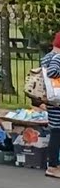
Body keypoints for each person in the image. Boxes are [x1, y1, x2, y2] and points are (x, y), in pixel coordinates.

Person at [42, 33, 60, 179]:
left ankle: (54, 164)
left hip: (52, 100)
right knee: (56, 132)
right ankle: (52, 166)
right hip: (57, 101)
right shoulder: (57, 58)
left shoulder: (47, 57)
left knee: (56, 131)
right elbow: (52, 72)